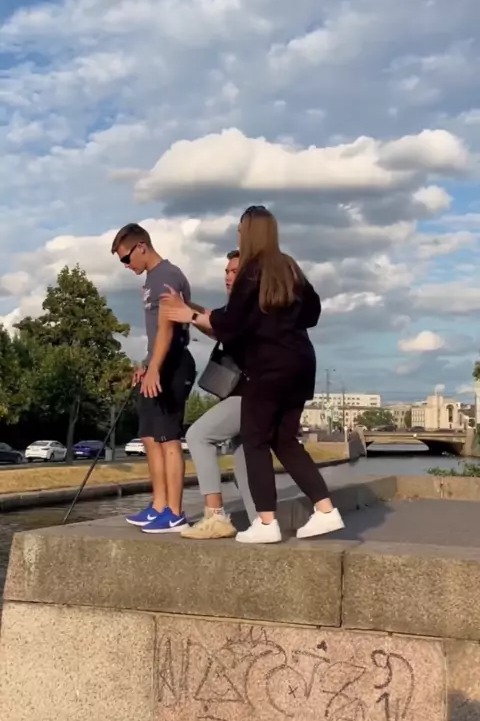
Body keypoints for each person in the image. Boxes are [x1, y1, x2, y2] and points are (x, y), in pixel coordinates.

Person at [161, 206, 344, 544]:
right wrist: (278, 319)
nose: (238, 235)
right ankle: (325, 509)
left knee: (254, 441)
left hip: (268, 369)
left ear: (248, 233)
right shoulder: (289, 267)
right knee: (284, 441)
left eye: (240, 230)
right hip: (301, 365)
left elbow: (230, 324)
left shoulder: (252, 271)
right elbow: (313, 313)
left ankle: (266, 522)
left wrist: (190, 315)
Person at [111, 223, 196, 533]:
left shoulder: (168, 276)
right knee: (149, 436)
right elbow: (154, 333)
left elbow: (167, 328)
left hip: (173, 364)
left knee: (168, 438)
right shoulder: (150, 280)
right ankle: (158, 506)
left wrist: (156, 368)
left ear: (141, 247)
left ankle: (175, 513)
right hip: (157, 364)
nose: (126, 265)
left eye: (126, 258)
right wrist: (147, 365)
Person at [182, 249, 256, 540]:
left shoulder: (249, 306)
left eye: (235, 271)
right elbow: (216, 326)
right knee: (244, 460)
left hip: (251, 393)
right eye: (226, 271)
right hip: (247, 393)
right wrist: (187, 306)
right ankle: (261, 521)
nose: (228, 276)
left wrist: (187, 312)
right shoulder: (240, 306)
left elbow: (219, 326)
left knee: (199, 435)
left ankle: (215, 515)